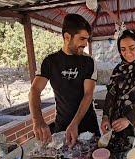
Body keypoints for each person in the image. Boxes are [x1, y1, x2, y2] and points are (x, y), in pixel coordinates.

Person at [29, 14, 100, 147]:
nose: (85, 43)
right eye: (82, 39)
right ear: (67, 37)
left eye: (87, 39)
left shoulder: (89, 62)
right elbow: (35, 90)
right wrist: (37, 120)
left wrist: (75, 123)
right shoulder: (50, 62)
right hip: (62, 125)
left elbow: (88, 94)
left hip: (88, 124)